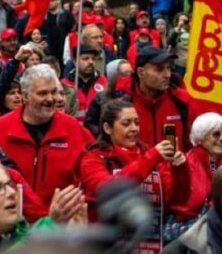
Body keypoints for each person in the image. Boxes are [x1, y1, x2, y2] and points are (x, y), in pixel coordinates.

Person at [76, 99, 180, 249]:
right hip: (106, 247)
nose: (134, 129)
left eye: (136, 123)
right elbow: (107, 190)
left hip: (148, 245)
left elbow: (174, 201)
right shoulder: (93, 158)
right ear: (107, 128)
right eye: (126, 124)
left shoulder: (151, 155)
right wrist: (150, 159)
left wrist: (180, 169)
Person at [0, 65, 93, 205]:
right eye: (43, 93)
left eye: (54, 92)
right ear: (25, 96)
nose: (51, 99)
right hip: (14, 220)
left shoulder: (73, 129)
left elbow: (91, 174)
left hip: (60, 222)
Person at [164, 112, 222, 243]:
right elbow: (183, 205)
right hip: (189, 235)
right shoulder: (184, 163)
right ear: (201, 137)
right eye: (216, 134)